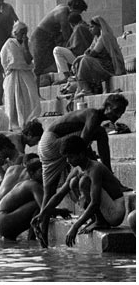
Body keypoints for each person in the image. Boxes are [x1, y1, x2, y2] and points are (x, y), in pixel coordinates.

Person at [36, 93, 129, 246]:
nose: (118, 115)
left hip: (44, 144)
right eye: (116, 110)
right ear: (106, 107)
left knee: (50, 191)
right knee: (100, 132)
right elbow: (83, 142)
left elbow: (60, 195)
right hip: (53, 142)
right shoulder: (93, 115)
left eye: (121, 112)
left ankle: (42, 237)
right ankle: (110, 174)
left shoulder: (93, 118)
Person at [32, 136, 126, 248]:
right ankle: (96, 219)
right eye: (66, 158)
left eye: (70, 157)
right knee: (73, 183)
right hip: (106, 208)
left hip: (115, 212)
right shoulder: (76, 169)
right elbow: (59, 195)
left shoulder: (95, 168)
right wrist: (43, 213)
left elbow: (95, 202)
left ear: (81, 154)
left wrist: (75, 226)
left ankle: (100, 221)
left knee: (84, 182)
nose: (68, 161)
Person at [0, 157, 70, 240]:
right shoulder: (34, 185)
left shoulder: (27, 183)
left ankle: (31, 241)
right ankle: (32, 240)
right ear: (32, 173)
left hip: (0, 221)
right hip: (4, 220)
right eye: (41, 171)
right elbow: (43, 208)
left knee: (39, 207)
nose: (44, 173)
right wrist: (61, 211)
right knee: (38, 206)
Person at [30, 0, 88, 92]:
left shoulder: (65, 9)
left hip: (51, 36)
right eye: (79, 12)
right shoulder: (63, 14)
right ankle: (35, 94)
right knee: (38, 67)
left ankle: (66, 76)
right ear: (74, 9)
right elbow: (67, 37)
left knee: (51, 62)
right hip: (41, 37)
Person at [0, 21, 41, 130]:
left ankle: (29, 122)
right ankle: (14, 125)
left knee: (30, 98)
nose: (24, 35)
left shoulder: (28, 43)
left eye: (25, 32)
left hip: (26, 74)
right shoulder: (9, 43)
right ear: (15, 33)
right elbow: (4, 59)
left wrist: (25, 46)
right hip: (12, 74)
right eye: (21, 32)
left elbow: (28, 60)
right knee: (13, 101)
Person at [72, 16, 126, 95]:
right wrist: (77, 59)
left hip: (109, 67)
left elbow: (92, 54)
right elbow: (87, 52)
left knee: (85, 61)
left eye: (92, 27)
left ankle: (86, 90)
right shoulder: (96, 38)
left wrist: (78, 59)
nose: (90, 29)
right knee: (82, 61)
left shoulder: (104, 37)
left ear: (99, 26)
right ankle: (85, 88)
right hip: (101, 64)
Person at [0, 153, 38, 228]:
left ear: (23, 163)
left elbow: (4, 182)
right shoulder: (33, 178)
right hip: (5, 213)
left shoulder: (11, 169)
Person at [52, 12, 94, 84]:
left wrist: (69, 48)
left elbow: (77, 46)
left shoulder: (79, 28)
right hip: (86, 57)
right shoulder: (86, 26)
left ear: (71, 24)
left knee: (57, 50)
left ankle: (66, 77)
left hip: (81, 57)